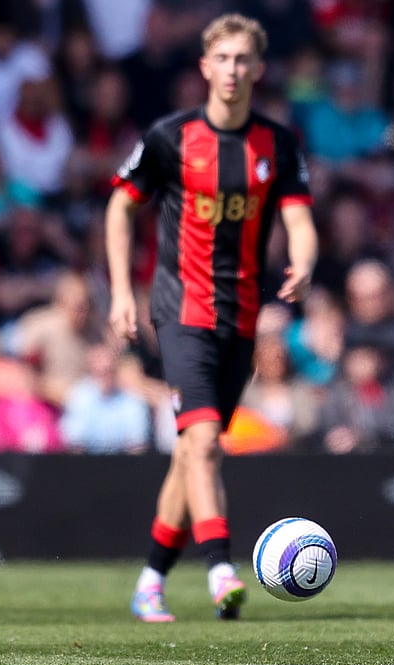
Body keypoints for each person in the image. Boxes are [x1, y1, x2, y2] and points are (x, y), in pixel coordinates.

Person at [105, 13, 318, 623]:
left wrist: (302, 263)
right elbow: (121, 207)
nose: (232, 70)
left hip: (242, 317)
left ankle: (149, 580)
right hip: (180, 311)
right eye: (221, 59)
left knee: (192, 452)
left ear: (258, 68)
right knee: (202, 443)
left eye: (242, 60)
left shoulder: (276, 144)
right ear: (204, 67)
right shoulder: (172, 137)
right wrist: (122, 291)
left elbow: (300, 220)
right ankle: (222, 568)